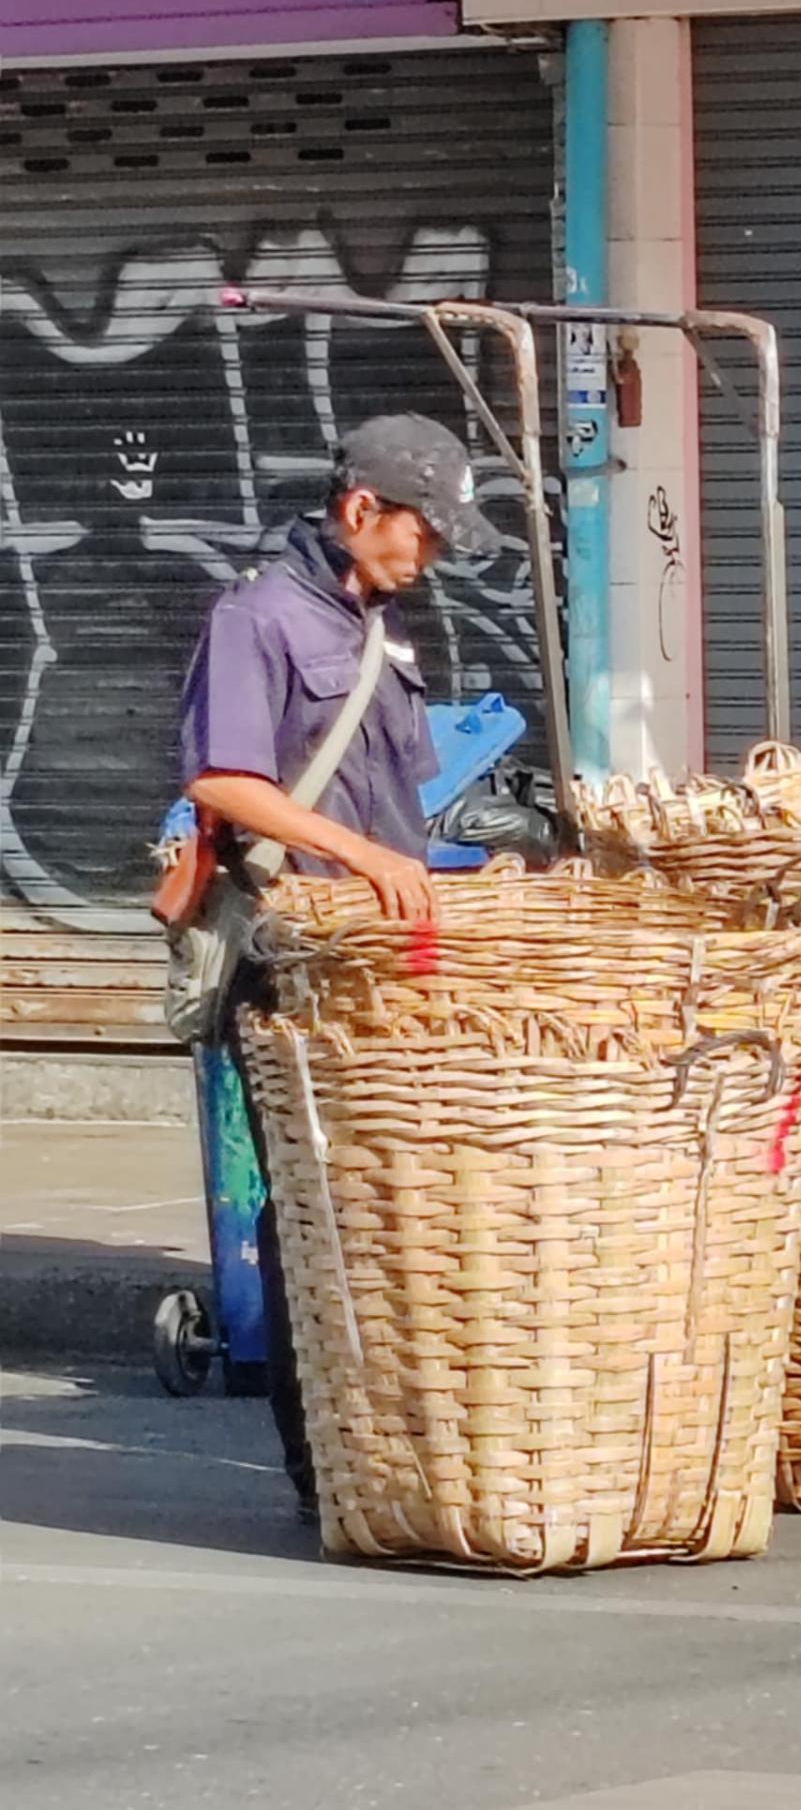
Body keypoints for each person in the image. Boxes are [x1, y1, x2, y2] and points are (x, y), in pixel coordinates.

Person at [176, 412, 495, 1513]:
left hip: (386, 965)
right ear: (362, 509)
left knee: (398, 1199)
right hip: (292, 957)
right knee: (311, 1203)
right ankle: (327, 1469)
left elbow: (398, 790)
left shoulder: (384, 629)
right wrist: (354, 855)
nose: (432, 555)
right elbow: (225, 781)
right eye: (424, 532)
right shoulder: (258, 618)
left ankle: (405, 1445)